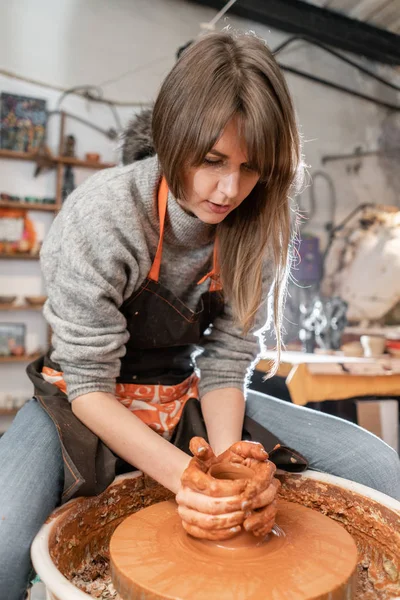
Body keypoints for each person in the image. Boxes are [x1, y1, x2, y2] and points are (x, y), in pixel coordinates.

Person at [0, 31, 399, 600]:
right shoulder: (105, 215)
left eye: (251, 166)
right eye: (212, 161)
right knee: (2, 536)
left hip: (184, 391)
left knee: (380, 469)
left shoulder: (264, 216)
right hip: (84, 399)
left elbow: (227, 360)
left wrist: (229, 459)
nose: (229, 189)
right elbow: (89, 382)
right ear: (172, 138)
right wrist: (190, 479)